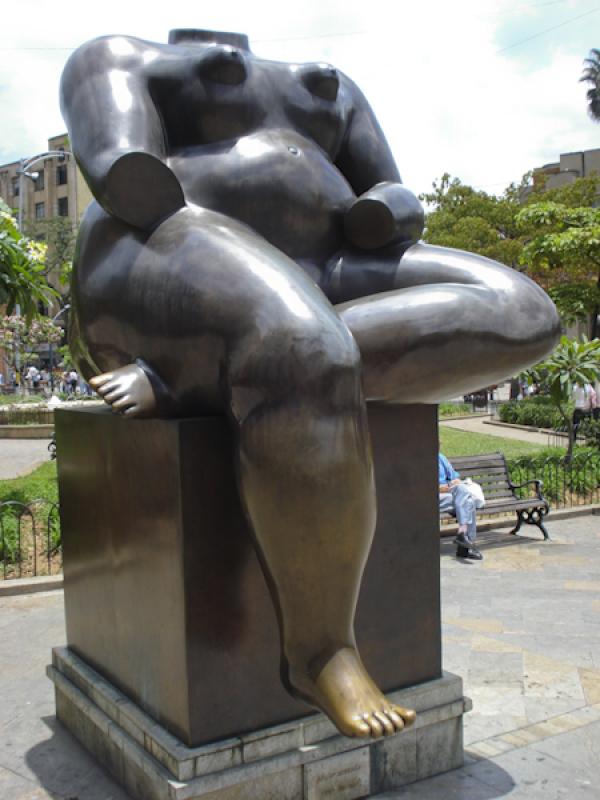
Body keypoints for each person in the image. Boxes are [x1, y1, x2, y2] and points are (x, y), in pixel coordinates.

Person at [59, 28, 560, 739]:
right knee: (301, 342)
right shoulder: (124, 53)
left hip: (327, 267)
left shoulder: (328, 82)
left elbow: (391, 189)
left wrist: (388, 210)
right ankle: (320, 648)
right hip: (168, 248)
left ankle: (245, 369)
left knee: (523, 311)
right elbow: (124, 170)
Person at [438, 453, 482, 561]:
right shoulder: (419, 458)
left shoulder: (441, 457)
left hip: (449, 494)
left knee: (468, 501)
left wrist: (455, 481)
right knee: (467, 501)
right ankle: (464, 544)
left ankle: (464, 539)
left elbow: (454, 476)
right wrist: (442, 487)